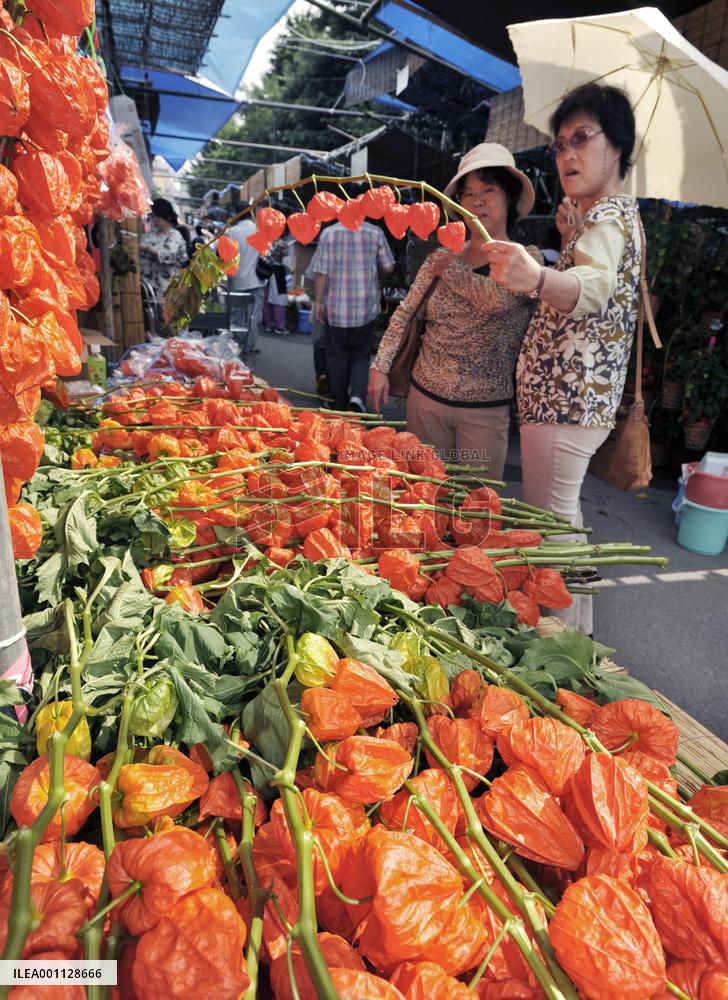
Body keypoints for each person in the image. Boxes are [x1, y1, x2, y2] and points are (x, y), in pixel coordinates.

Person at [481, 82, 641, 634]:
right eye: (559, 145)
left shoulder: (610, 219)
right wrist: (570, 236)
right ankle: (580, 632)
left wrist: (538, 275)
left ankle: (560, 642)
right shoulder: (612, 216)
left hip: (564, 402)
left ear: (616, 146)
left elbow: (593, 286)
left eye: (581, 139)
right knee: (563, 522)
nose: (567, 154)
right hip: (573, 403)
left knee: (547, 529)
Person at [368, 144, 540, 478]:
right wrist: (380, 366)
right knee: (423, 497)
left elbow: (496, 300)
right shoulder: (440, 258)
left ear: (509, 197)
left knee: (477, 509)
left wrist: (452, 269)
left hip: (485, 413)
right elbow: (405, 314)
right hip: (425, 402)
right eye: (469, 193)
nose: (478, 201)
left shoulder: (527, 260)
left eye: (489, 190)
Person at [312, 218, 394, 412]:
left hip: (336, 309)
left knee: (336, 357)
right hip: (365, 309)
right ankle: (357, 398)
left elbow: (321, 272)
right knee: (361, 355)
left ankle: (339, 403)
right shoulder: (374, 233)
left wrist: (318, 302)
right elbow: (389, 266)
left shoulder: (328, 234)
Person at [139, 198, 189, 324]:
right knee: (148, 321)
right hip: (147, 287)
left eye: (158, 217)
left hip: (166, 289)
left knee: (165, 322)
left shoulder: (174, 235)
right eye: (154, 216)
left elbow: (168, 255)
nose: (155, 220)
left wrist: (147, 249)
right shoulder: (151, 234)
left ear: (167, 217)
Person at [226, 208, 264, 359]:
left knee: (237, 316)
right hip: (256, 280)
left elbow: (227, 257)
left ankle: (236, 346)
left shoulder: (232, 232)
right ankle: (249, 348)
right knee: (254, 317)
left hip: (236, 281)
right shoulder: (259, 231)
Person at [263, 239, 291, 335]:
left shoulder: (271, 244)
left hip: (269, 274)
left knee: (268, 301)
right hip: (279, 276)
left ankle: (269, 325)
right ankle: (280, 327)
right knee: (279, 303)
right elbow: (288, 266)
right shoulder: (283, 245)